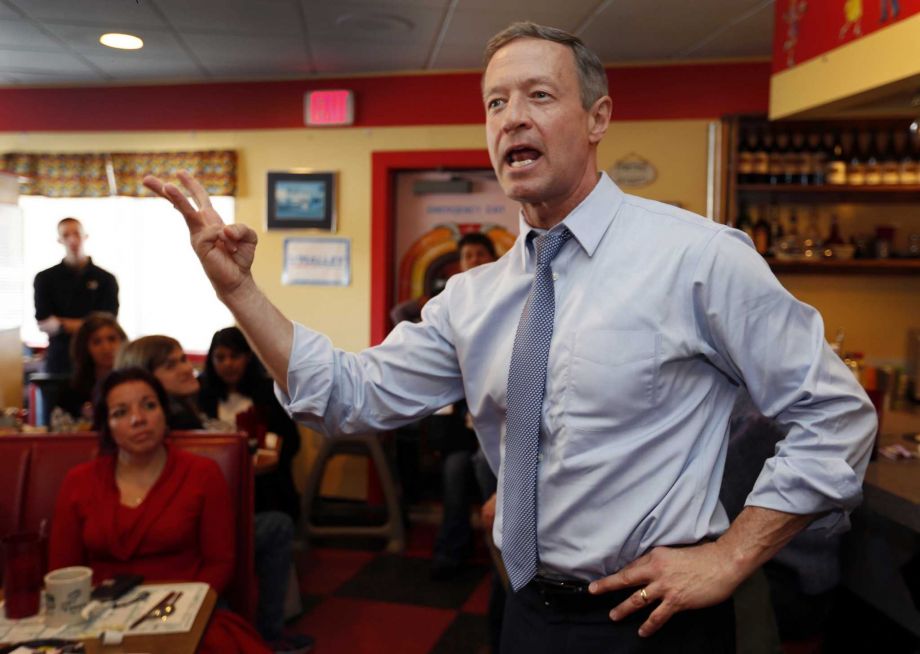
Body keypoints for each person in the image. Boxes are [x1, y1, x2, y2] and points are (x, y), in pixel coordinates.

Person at [143, 21, 876, 654]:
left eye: (539, 95)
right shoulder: (473, 298)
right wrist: (239, 291)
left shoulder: (698, 259)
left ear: (598, 118)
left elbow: (836, 417)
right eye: (496, 102)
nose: (511, 118)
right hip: (522, 613)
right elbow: (343, 395)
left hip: (657, 623)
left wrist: (730, 556)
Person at [48, 367, 270, 653]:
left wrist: (180, 608)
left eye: (149, 406)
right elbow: (64, 570)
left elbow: (220, 563)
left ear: (165, 413)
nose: (138, 419)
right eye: (120, 412)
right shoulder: (79, 481)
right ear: (106, 426)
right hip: (99, 617)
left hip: (185, 610)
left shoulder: (202, 473)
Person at [117, 334, 312, 653]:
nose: (185, 369)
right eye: (172, 365)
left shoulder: (188, 409)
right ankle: (270, 633)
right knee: (276, 524)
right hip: (187, 538)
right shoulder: (170, 422)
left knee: (272, 505)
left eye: (183, 359)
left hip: (202, 525)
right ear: (144, 380)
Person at [429, 232, 498, 579]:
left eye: (480, 253)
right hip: (463, 433)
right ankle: (450, 553)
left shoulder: (510, 300)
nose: (474, 260)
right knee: (456, 469)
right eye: (468, 255)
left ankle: (502, 550)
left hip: (504, 435)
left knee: (486, 465)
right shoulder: (451, 304)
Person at [199, 326, 302, 522]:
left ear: (248, 357)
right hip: (216, 477)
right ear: (211, 361)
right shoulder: (202, 395)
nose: (228, 364)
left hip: (262, 481)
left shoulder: (269, 392)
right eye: (220, 358)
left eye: (234, 356)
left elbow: (292, 442)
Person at [34, 217, 119, 374]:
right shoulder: (45, 278)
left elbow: (109, 322)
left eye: (76, 233)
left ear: (85, 236)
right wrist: (90, 325)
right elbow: (44, 321)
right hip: (60, 361)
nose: (72, 239)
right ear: (60, 240)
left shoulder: (106, 278)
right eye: (66, 235)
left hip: (98, 363)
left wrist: (62, 324)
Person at [54, 312, 126, 423]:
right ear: (85, 348)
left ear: (122, 341)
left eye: (112, 339)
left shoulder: (136, 383)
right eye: (97, 342)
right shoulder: (70, 392)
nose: (106, 348)